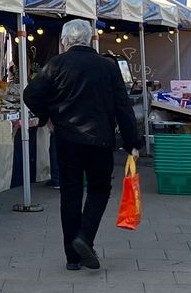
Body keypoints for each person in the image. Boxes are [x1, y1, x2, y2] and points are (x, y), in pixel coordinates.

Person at [23, 19, 142, 271]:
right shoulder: (108, 66)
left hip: (67, 139)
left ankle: (72, 257)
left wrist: (48, 117)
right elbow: (123, 106)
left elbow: (30, 94)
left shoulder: (56, 64)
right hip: (100, 140)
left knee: (70, 193)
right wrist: (133, 142)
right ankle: (84, 237)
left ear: (65, 41)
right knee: (99, 189)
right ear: (89, 39)